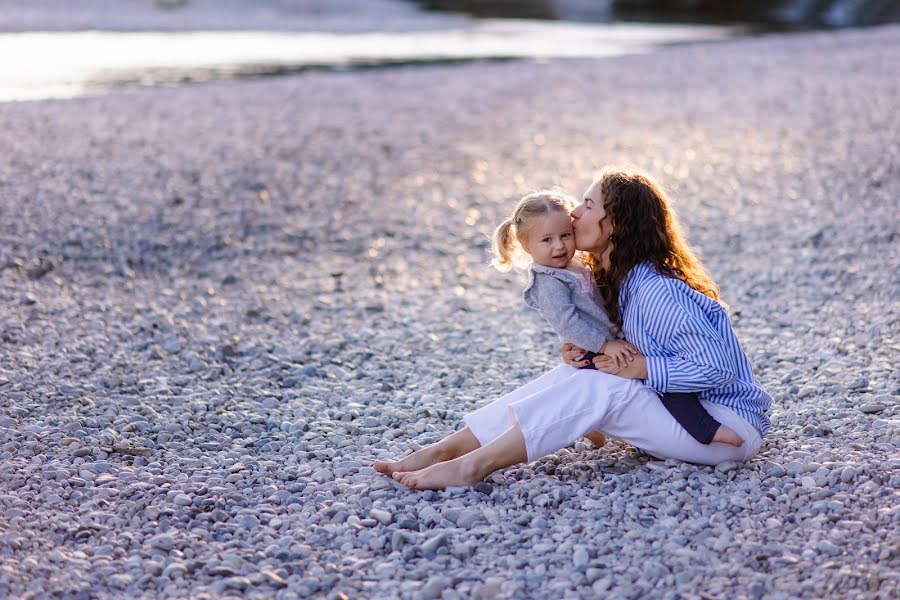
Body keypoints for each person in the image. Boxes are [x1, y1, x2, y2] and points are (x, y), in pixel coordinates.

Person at [374, 168, 771, 490]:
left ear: (615, 223)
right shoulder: (621, 279)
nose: (575, 213)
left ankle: (471, 467)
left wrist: (641, 368)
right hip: (686, 413)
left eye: (588, 203)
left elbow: (719, 370)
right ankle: (445, 451)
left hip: (725, 424)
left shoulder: (655, 291)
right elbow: (639, 341)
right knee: (572, 374)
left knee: (595, 386)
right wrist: (590, 351)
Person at [490, 189, 743, 447]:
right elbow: (567, 322)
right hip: (597, 347)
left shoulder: (575, 265)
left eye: (565, 235)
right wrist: (603, 345)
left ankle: (589, 424)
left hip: (603, 342)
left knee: (652, 383)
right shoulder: (547, 282)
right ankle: (707, 430)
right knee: (666, 389)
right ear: (525, 244)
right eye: (547, 240)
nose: (559, 246)